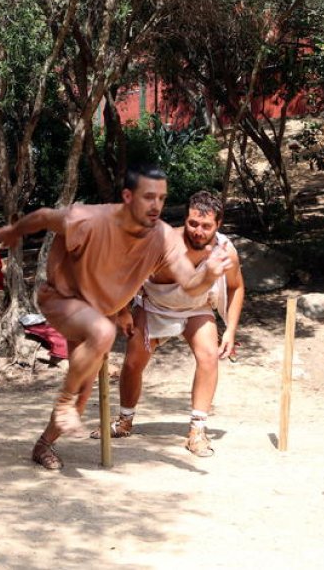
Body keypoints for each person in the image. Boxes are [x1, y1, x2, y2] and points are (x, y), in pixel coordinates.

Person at [0, 165, 231, 471]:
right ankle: (66, 402)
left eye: (161, 198)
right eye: (149, 197)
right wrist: (13, 231)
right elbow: (42, 216)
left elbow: (188, 284)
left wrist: (209, 275)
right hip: (62, 299)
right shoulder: (89, 218)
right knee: (101, 333)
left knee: (84, 393)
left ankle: (44, 443)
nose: (156, 205)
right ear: (129, 197)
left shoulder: (164, 239)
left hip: (101, 310)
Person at [99, 190, 245, 457]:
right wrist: (122, 312)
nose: (198, 231)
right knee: (133, 362)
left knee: (209, 356)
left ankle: (197, 431)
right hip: (154, 307)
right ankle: (124, 420)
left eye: (206, 226)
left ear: (219, 224)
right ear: (185, 219)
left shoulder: (225, 252)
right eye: (193, 223)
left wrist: (231, 330)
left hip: (196, 308)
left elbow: (235, 287)